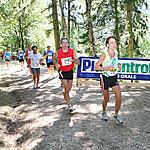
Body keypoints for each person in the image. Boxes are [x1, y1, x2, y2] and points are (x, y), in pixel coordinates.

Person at [95, 36, 123, 124]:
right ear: (107, 45)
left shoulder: (116, 52)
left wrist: (118, 65)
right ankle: (103, 112)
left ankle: (116, 114)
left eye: (115, 42)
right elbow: (96, 67)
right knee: (106, 99)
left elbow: (115, 62)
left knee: (119, 97)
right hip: (105, 78)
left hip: (114, 77)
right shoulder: (104, 55)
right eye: (111, 42)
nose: (114, 44)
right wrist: (107, 68)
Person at [54, 37, 80, 112]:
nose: (65, 44)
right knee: (66, 88)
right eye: (63, 43)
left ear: (68, 44)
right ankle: (69, 105)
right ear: (61, 44)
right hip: (62, 71)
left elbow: (78, 62)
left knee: (69, 88)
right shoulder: (58, 52)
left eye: (66, 43)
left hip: (70, 71)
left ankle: (64, 93)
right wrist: (56, 64)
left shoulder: (72, 51)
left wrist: (74, 60)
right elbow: (54, 59)